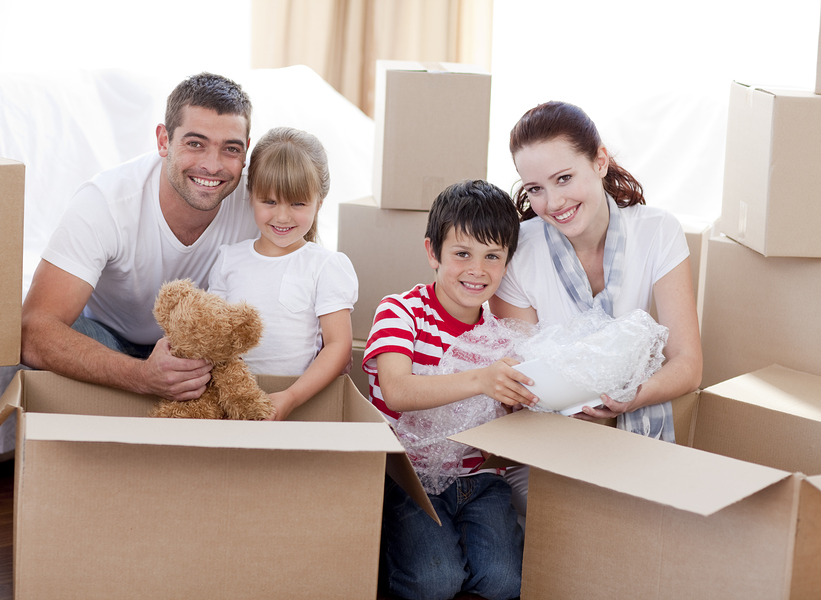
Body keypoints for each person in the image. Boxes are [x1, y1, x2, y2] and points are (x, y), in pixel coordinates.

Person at [21, 72, 258, 401]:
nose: (212, 165)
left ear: (245, 152)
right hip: (108, 339)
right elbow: (33, 329)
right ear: (164, 141)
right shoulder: (105, 202)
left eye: (230, 149)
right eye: (195, 143)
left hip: (201, 351)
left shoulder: (261, 204)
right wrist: (142, 376)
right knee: (58, 341)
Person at [491, 100, 703, 438]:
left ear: (600, 162)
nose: (554, 202)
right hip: (548, 437)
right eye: (535, 189)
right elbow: (522, 383)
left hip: (637, 429)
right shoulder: (517, 252)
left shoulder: (658, 231)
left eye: (564, 178)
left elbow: (687, 364)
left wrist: (632, 397)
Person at [363, 179, 530, 600]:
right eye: (462, 254)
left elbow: (508, 424)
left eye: (492, 256)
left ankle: (450, 553)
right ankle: (390, 551)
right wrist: (482, 378)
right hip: (410, 478)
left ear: (507, 262)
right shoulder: (400, 312)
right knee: (434, 582)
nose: (478, 270)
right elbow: (397, 390)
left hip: (479, 479)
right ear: (432, 252)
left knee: (505, 582)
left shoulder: (501, 337)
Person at [207, 127, 357, 421]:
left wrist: (290, 397)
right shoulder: (230, 259)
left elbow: (339, 345)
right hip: (231, 400)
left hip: (299, 400)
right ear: (251, 197)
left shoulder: (325, 265)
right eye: (270, 202)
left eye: (298, 203)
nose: (283, 216)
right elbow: (213, 335)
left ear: (319, 204)